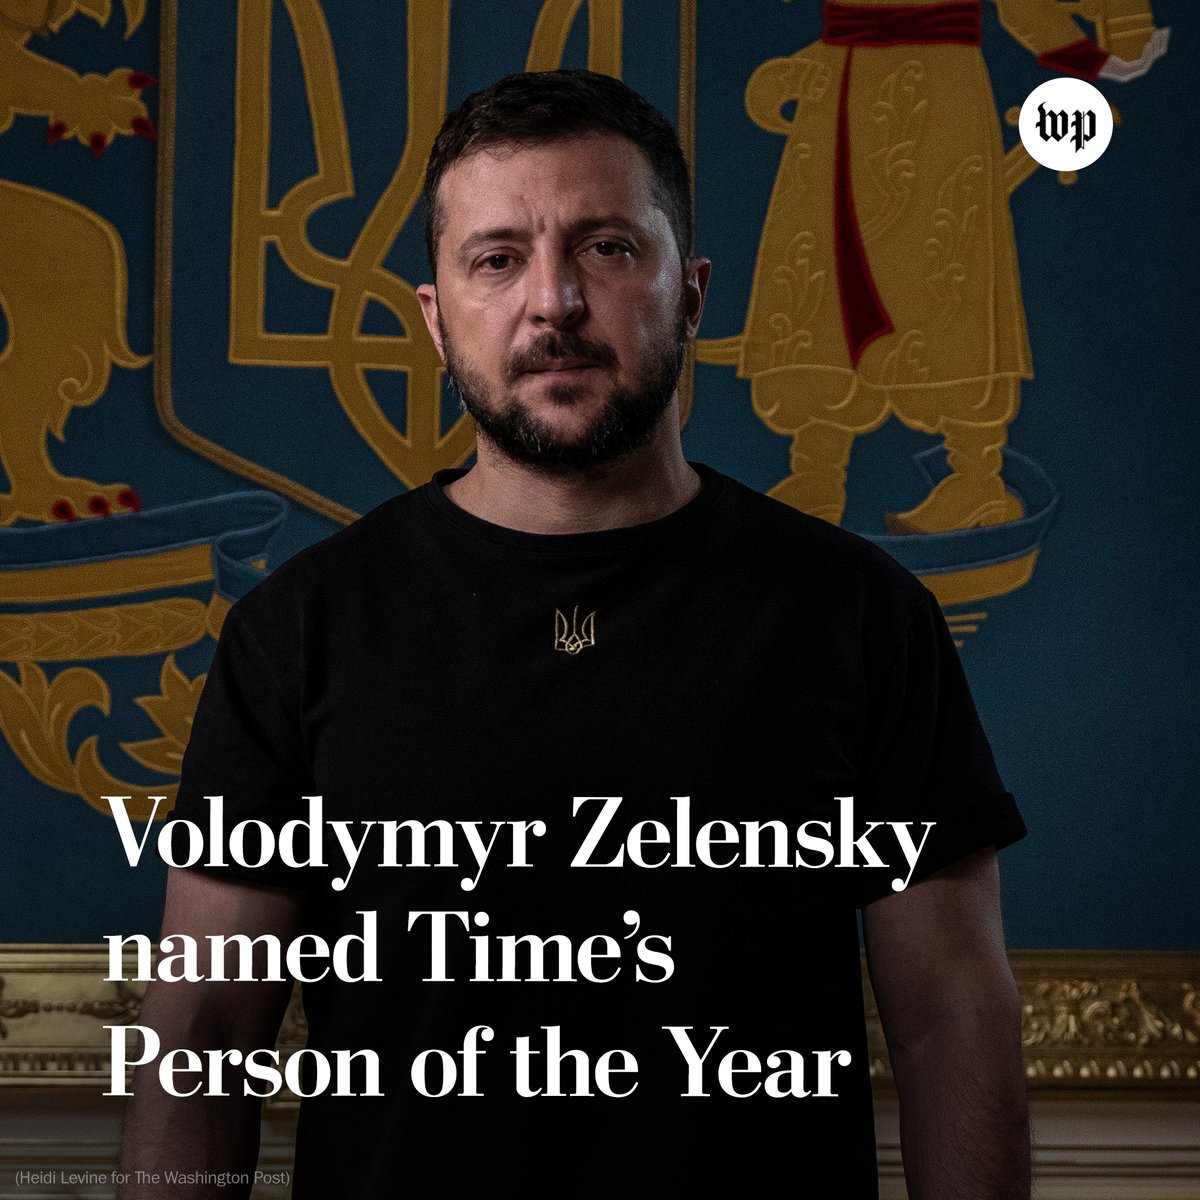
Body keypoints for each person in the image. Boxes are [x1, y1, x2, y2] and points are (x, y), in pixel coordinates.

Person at [119, 69, 1029, 1198]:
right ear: (436, 315)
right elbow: (204, 1030)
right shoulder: (299, 633)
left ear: (690, 295)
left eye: (606, 249)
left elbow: (950, 1020)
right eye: (497, 259)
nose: (552, 301)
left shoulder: (859, 617)